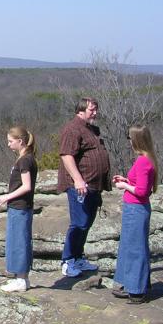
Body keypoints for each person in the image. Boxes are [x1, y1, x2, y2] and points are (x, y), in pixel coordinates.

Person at [57, 97, 111, 277]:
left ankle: (78, 257)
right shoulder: (72, 129)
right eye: (91, 110)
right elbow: (67, 156)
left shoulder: (91, 130)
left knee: (87, 223)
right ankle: (68, 261)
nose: (95, 113)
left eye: (96, 109)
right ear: (81, 110)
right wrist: (78, 180)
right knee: (79, 223)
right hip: (79, 186)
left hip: (94, 186)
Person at [111, 125, 158, 304]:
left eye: (130, 139)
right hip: (136, 208)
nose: (129, 142)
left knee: (135, 248)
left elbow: (142, 191)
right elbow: (140, 184)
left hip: (136, 209)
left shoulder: (143, 161)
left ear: (136, 140)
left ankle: (137, 290)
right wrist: (126, 179)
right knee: (130, 246)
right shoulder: (146, 159)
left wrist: (125, 186)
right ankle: (131, 284)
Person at [0, 126, 38, 292]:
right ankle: (22, 279)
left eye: (11, 141)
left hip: (20, 207)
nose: (9, 145)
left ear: (21, 141)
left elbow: (26, 186)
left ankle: (20, 280)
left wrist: (6, 197)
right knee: (18, 241)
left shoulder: (25, 160)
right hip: (19, 206)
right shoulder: (25, 159)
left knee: (19, 242)